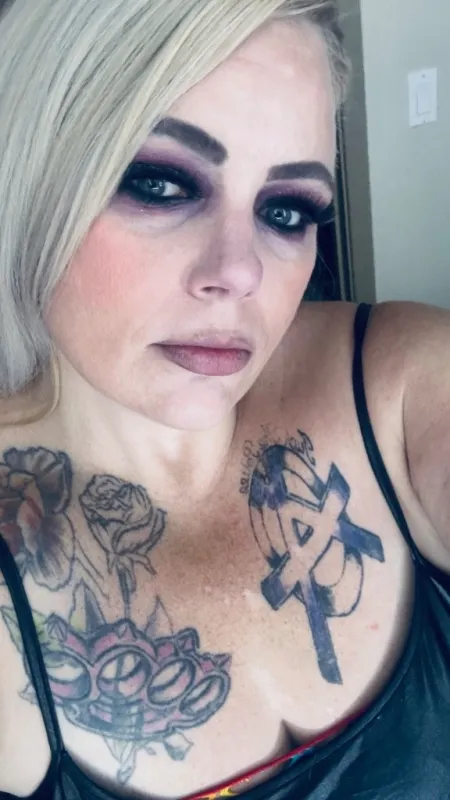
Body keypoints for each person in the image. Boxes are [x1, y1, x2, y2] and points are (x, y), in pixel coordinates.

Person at [0, 0, 448, 798]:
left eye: (287, 210)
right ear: (37, 179)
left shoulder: (402, 380)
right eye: (160, 183)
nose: (239, 272)